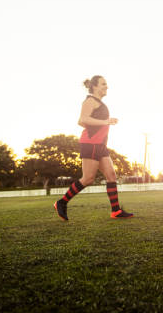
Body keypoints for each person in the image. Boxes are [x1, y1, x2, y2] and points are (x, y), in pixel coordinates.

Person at [54, 76, 134, 221]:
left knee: (111, 176)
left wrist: (103, 123)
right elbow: (83, 119)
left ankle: (116, 211)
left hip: (101, 145)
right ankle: (62, 202)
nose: (107, 87)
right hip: (90, 144)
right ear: (95, 87)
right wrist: (105, 122)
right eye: (103, 84)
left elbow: (81, 121)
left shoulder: (98, 103)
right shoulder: (90, 101)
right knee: (88, 178)